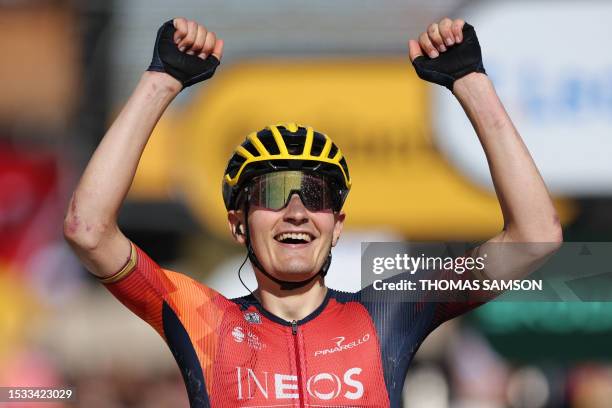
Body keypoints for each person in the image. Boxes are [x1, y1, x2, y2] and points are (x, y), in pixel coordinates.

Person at [64, 16, 562, 408]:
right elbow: (88, 231)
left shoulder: (389, 312)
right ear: (238, 224)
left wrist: (471, 83)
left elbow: (537, 236)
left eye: (318, 195)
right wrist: (161, 81)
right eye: (275, 192)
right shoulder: (203, 319)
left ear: (337, 225)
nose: (298, 210)